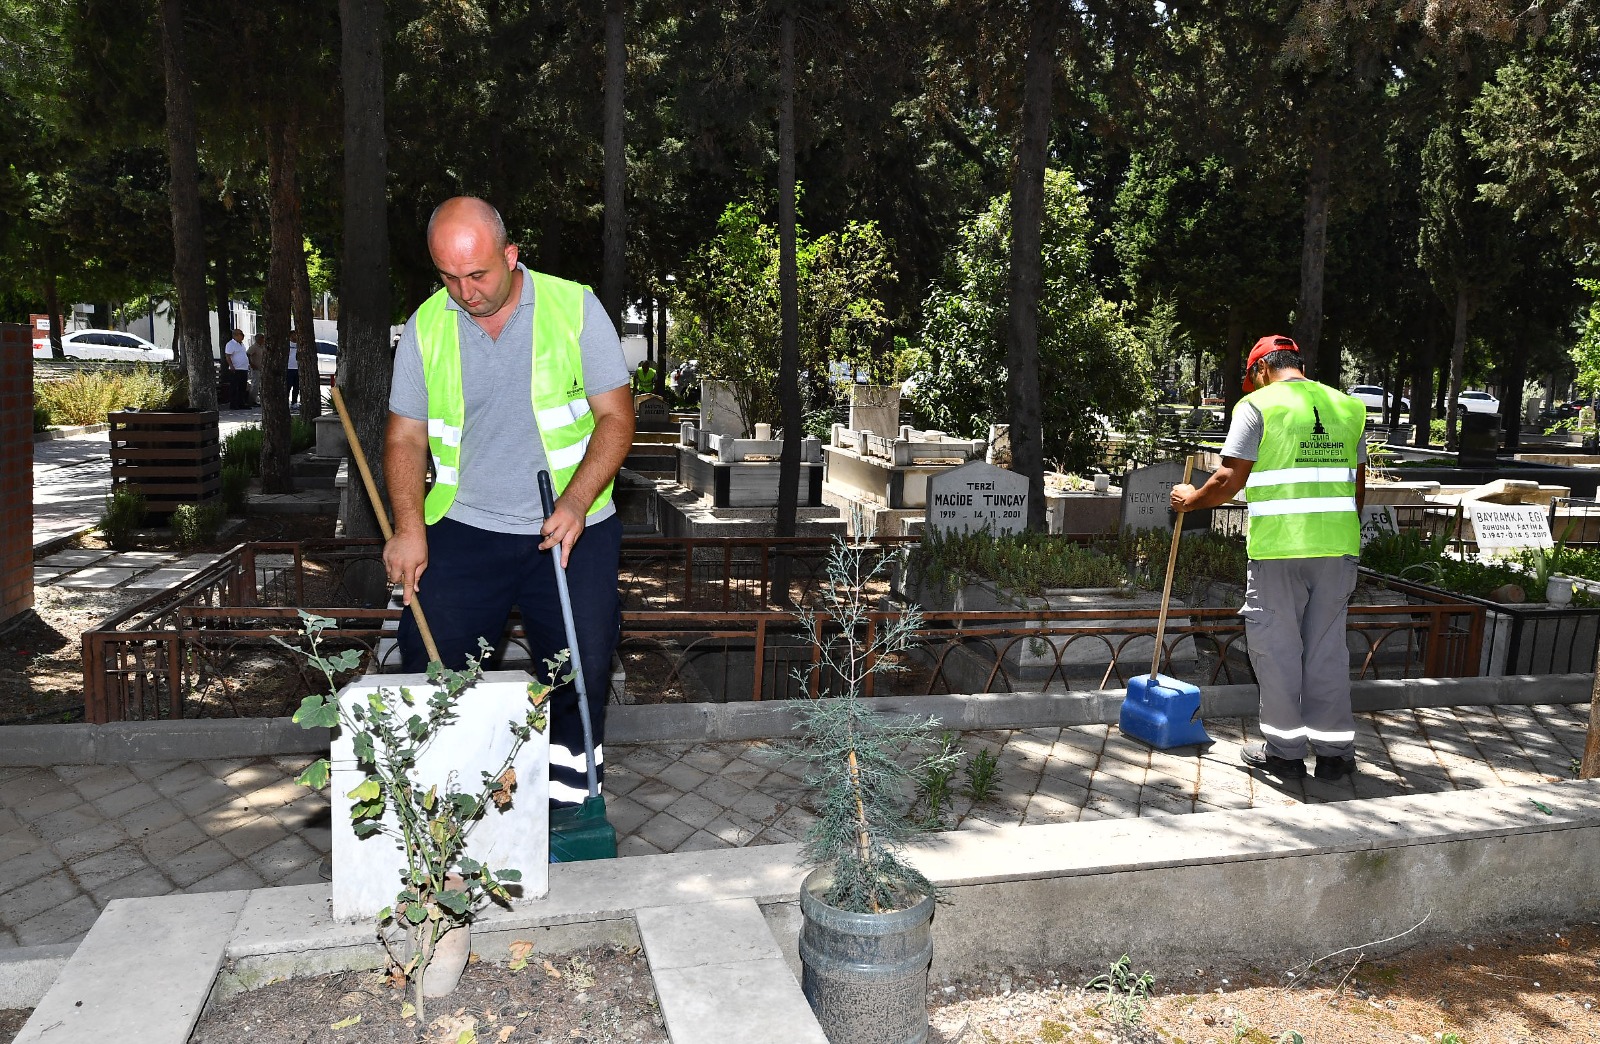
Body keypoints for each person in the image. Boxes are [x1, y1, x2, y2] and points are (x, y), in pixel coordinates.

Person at [384, 196, 634, 809]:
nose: (464, 292)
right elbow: (405, 436)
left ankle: (572, 807)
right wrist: (409, 529)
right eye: (449, 277)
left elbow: (615, 418)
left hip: (573, 526)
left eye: (478, 275)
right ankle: (447, 812)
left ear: (511, 255)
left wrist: (577, 501)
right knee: (432, 665)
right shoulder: (426, 326)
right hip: (466, 526)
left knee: (578, 675)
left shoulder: (574, 308)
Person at [1168, 335, 1368, 781]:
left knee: (1277, 651)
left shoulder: (1257, 406)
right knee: (1327, 651)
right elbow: (1355, 490)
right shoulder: (1348, 407)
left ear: (1260, 370)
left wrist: (1191, 499)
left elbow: (1228, 478)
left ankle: (1285, 753)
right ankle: (1335, 755)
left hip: (1280, 549)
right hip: (1337, 549)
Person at [224, 328, 250, 409]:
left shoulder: (242, 344)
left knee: (242, 387)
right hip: (236, 369)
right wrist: (231, 366)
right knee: (235, 387)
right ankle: (234, 404)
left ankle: (241, 403)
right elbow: (228, 356)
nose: (243, 336)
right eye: (240, 334)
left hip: (243, 369)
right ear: (235, 335)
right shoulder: (230, 344)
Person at [286, 336, 301, 410]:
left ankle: (294, 402)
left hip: (298, 368)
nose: (295, 337)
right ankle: (285, 402)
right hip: (289, 368)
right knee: (288, 386)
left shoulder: (299, 345)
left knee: (296, 387)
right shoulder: (287, 344)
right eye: (293, 335)